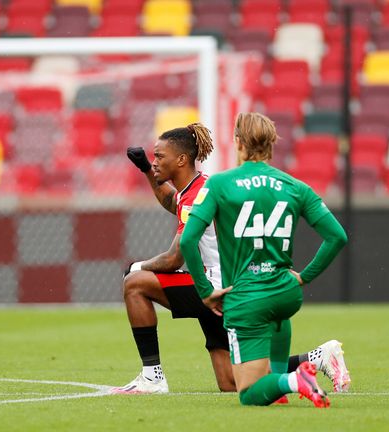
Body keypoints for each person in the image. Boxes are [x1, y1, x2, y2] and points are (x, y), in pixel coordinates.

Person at [113, 123, 350, 396]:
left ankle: (151, 377)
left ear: (181, 159)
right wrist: (145, 169)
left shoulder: (197, 195)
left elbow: (173, 259)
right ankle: (318, 358)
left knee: (135, 284)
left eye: (159, 157)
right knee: (231, 382)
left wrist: (136, 267)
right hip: (232, 284)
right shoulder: (198, 188)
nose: (155, 162)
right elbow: (172, 202)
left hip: (218, 289)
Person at [180, 113, 348, 408]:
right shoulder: (294, 186)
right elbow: (337, 237)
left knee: (247, 392)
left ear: (237, 142)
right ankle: (281, 387)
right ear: (272, 144)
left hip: (246, 297)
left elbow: (188, 240)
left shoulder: (219, 184)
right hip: (286, 293)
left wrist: (206, 292)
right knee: (278, 320)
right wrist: (303, 277)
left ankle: (295, 380)